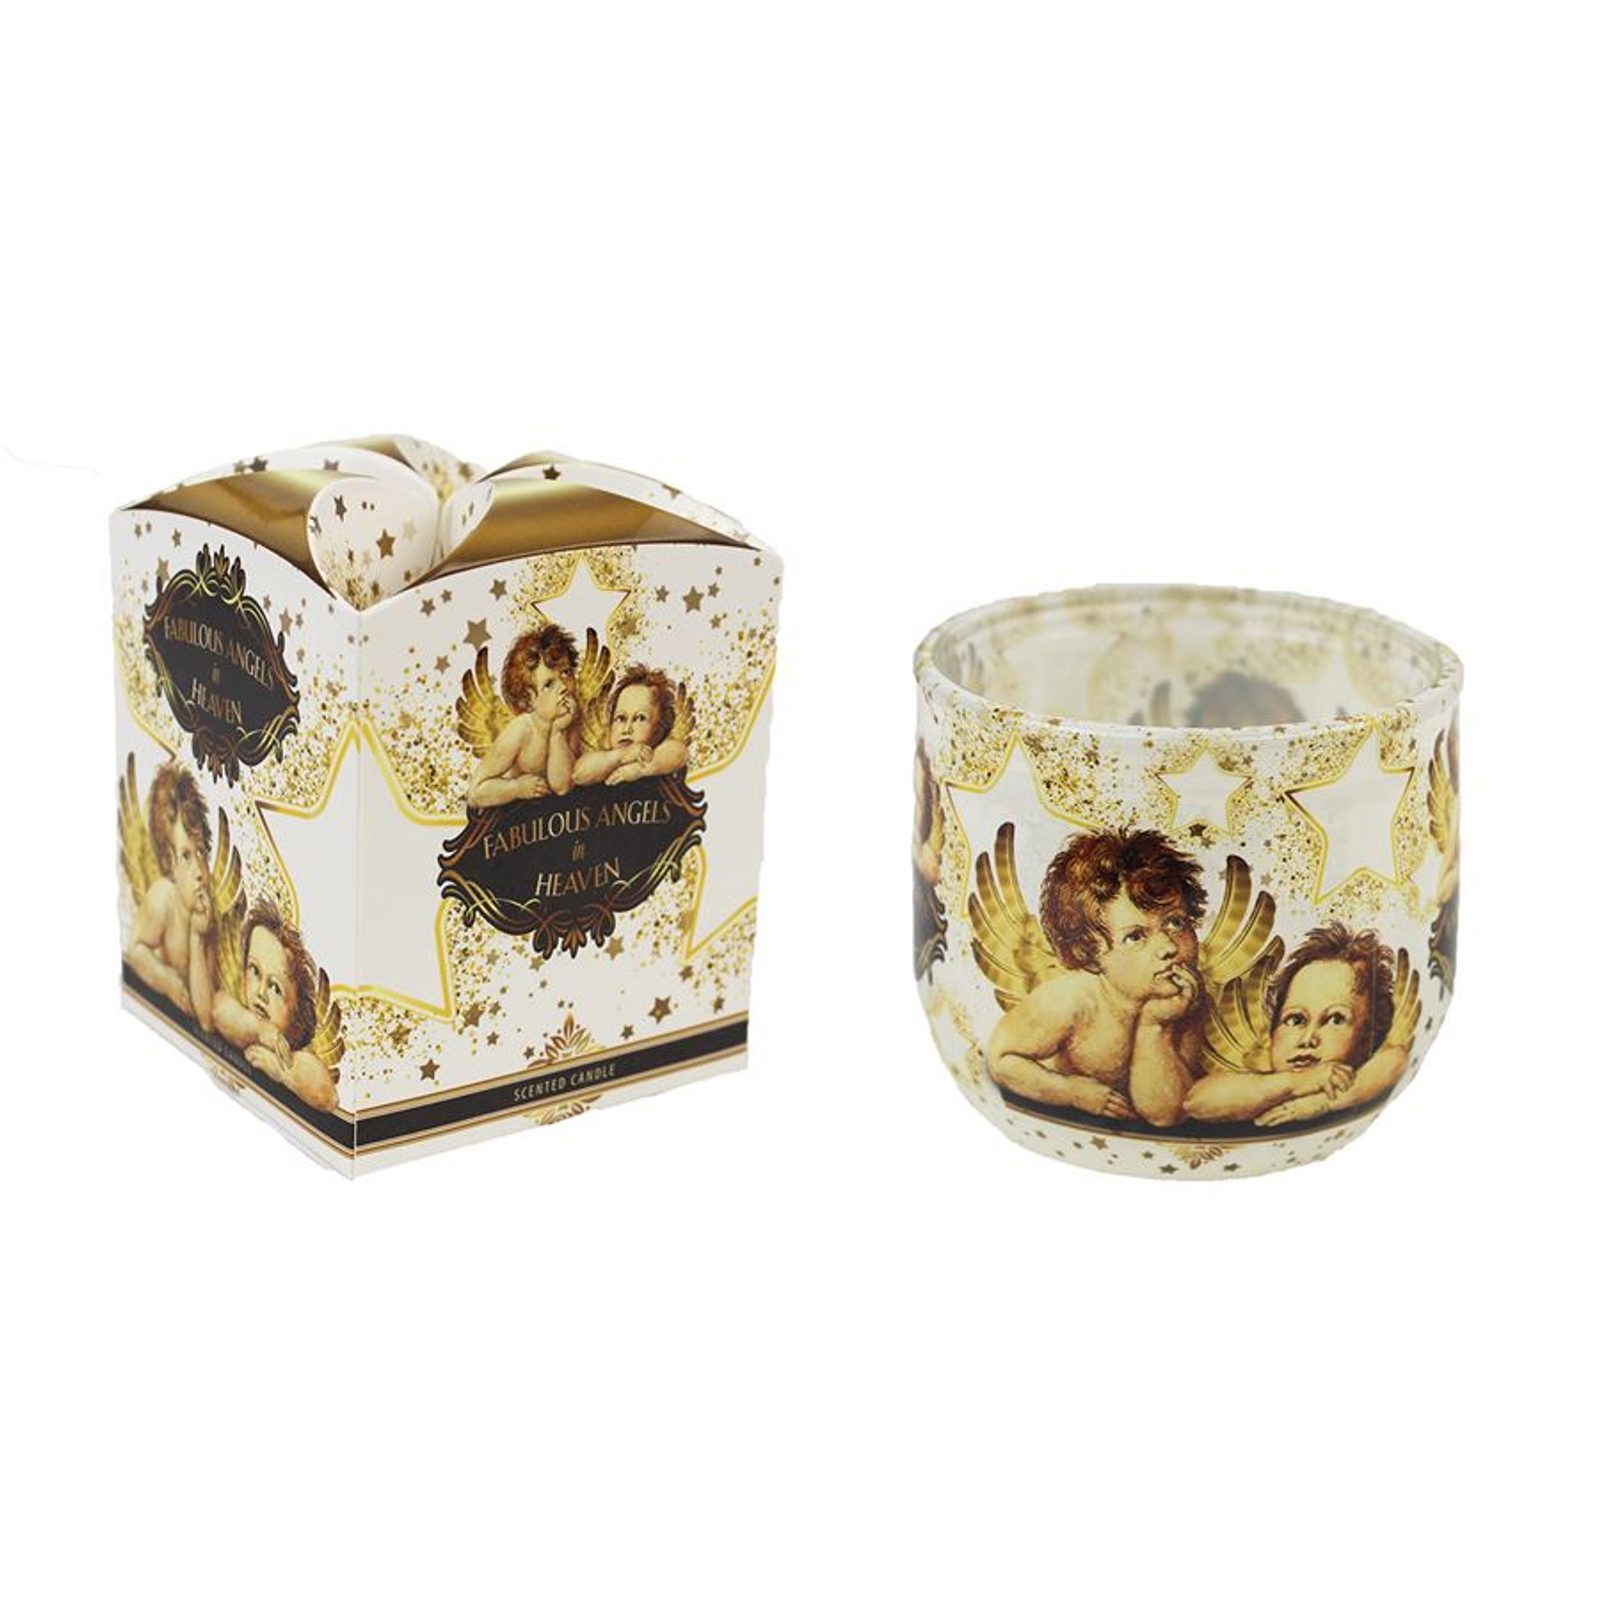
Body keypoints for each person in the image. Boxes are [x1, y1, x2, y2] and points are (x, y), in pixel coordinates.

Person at [986, 829, 1208, 1127]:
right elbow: (1002, 1059)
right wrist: (1071, 1092)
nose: (1168, 946)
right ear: (1088, 953)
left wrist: (1155, 1027)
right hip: (1059, 1125)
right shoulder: (1071, 1000)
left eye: (1176, 922)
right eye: (1135, 937)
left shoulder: (1184, 1000)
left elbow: (1166, 1112)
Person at [1251, 924, 1412, 1127]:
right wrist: (1299, 1082)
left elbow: (1395, 1059)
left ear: (1369, 1037)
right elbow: (1209, 1097)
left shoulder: (1364, 1082)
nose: (1308, 1039)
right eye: (1295, 1020)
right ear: (1271, 1034)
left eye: (1336, 1020)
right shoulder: (1253, 1090)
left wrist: (1323, 1103)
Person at [193, 900, 339, 1112]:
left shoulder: (294, 1058)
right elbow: (219, 1008)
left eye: (275, 988)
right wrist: (259, 1029)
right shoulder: (240, 1017)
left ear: (297, 1013)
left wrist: (283, 1072)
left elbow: (329, 1097)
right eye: (254, 970)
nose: (261, 993)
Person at [124, 762, 212, 1017]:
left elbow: (205, 1018)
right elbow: (136, 949)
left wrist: (197, 939)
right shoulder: (163, 896)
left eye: (201, 852)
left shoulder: (205, 915)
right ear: (167, 861)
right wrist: (168, 982)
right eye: (186, 856)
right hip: (152, 1008)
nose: (199, 871)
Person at [468, 624, 580, 805]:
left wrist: (558, 733)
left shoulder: (570, 720)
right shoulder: (521, 731)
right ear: (529, 699)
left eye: (566, 673)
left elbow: (562, 786)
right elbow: (475, 793)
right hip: (509, 814)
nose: (563, 687)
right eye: (549, 684)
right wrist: (515, 789)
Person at [573, 667, 689, 787]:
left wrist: (639, 770)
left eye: (640, 718)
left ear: (659, 729)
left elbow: (680, 752)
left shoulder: (660, 755)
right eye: (620, 718)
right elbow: (579, 774)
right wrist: (622, 756)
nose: (627, 729)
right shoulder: (606, 759)